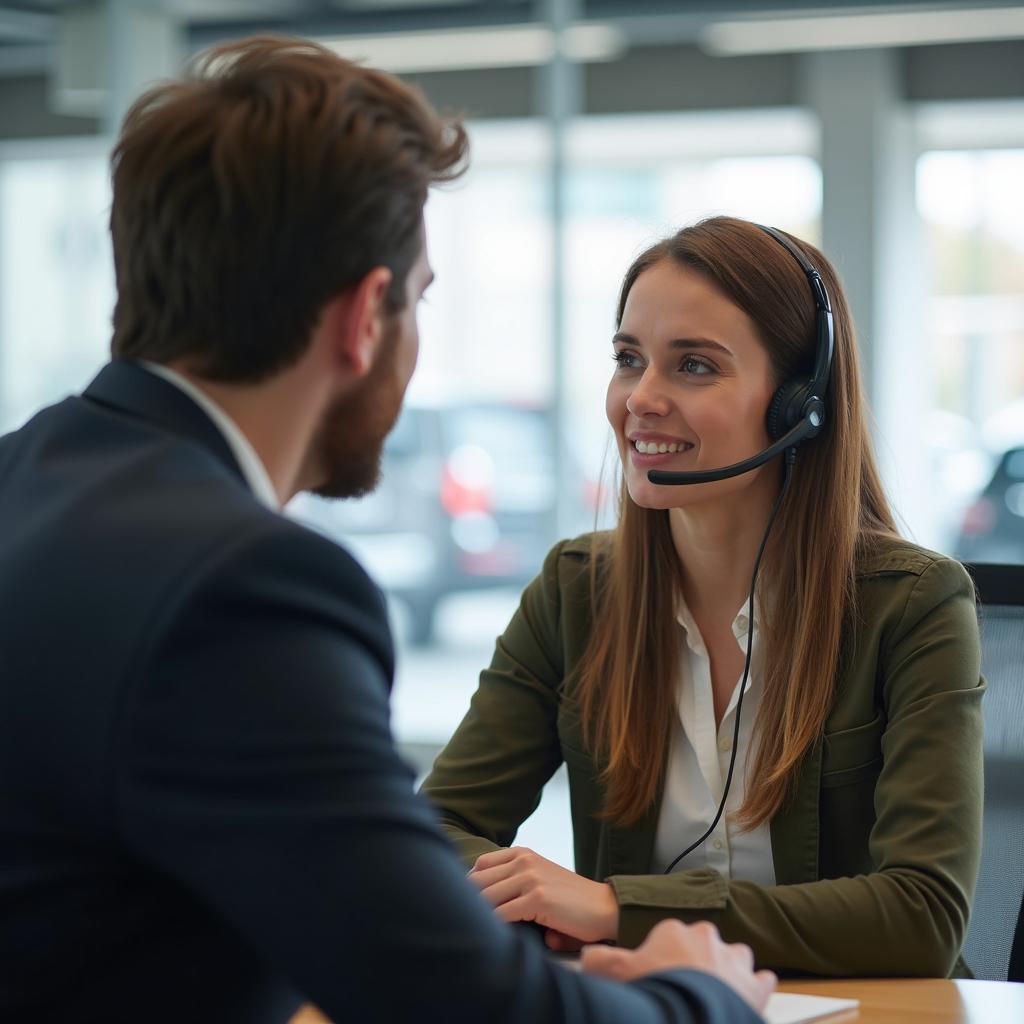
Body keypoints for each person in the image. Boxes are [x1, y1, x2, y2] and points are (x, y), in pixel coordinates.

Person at [0, 36, 776, 1024]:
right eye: (416, 302)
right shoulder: (240, 587)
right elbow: (463, 1007)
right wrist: (699, 997)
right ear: (367, 315)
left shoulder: (22, 476)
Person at [421, 215, 985, 978]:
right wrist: (527, 897)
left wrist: (617, 907)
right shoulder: (576, 592)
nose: (640, 399)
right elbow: (436, 829)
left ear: (797, 404)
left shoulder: (912, 606)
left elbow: (923, 913)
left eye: (694, 366)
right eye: (628, 359)